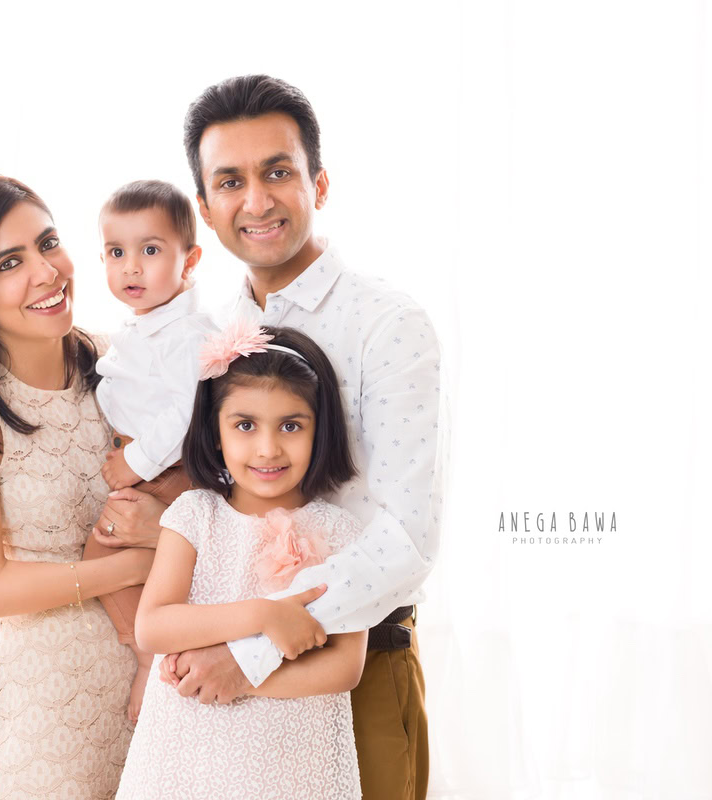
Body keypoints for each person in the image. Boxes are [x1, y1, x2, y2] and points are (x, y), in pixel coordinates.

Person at [156, 75, 447, 800]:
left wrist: (252, 653)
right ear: (205, 208)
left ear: (318, 182)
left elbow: (407, 539)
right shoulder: (210, 337)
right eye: (231, 181)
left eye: (278, 172)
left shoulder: (388, 323)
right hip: (217, 703)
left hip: (356, 669)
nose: (256, 201)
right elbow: (204, 493)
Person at [0, 175, 157, 799]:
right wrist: (129, 566)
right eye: (10, 263)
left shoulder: (122, 363)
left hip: (162, 690)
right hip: (50, 715)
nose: (46, 271)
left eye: (48, 244)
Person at [115, 322, 366, 799]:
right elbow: (154, 626)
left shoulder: (339, 533)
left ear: (321, 430)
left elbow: (345, 667)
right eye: (245, 425)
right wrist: (263, 613)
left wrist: (245, 679)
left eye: (291, 425)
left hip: (294, 762)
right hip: (191, 754)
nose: (268, 448)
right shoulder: (195, 515)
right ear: (215, 433)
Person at [81, 179, 219, 724]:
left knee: (109, 556)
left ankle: (151, 658)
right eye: (117, 253)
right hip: (146, 467)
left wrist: (134, 462)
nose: (131, 268)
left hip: (171, 471)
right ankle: (153, 648)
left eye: (150, 251)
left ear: (191, 260)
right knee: (123, 564)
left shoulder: (188, 333)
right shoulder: (143, 327)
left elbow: (187, 413)